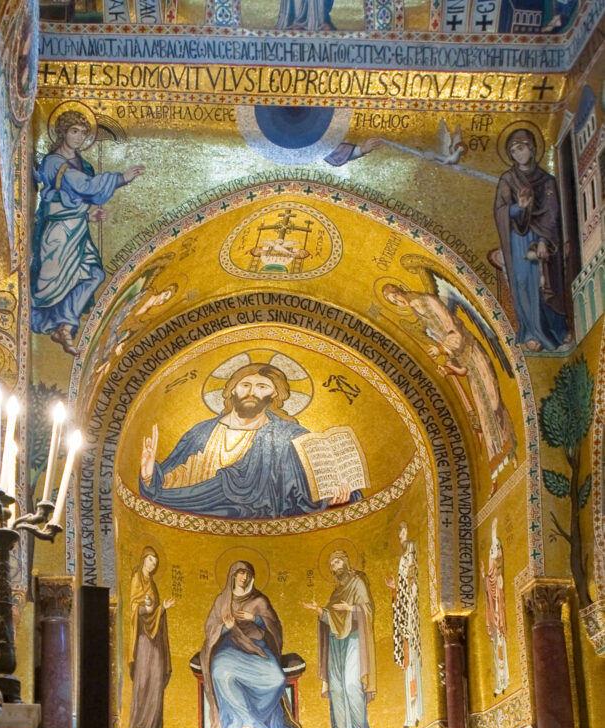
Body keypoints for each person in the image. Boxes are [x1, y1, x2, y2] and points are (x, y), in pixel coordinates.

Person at [139, 362, 360, 519]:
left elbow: (302, 494)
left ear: (274, 395)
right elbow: (173, 482)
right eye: (245, 385)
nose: (252, 392)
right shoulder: (201, 432)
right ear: (232, 389)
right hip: (204, 512)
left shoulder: (289, 436)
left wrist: (330, 501)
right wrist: (150, 475)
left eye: (262, 387)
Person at [30, 110, 145, 355]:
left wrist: (86, 215)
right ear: (62, 132)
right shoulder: (53, 162)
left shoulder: (84, 164)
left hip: (77, 227)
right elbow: (81, 186)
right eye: (74, 131)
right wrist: (120, 178)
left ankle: (66, 324)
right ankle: (58, 321)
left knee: (94, 273)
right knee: (52, 284)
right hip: (58, 230)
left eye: (83, 133)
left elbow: (81, 195)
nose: (79, 138)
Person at [383, 283, 517, 489]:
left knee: (493, 400)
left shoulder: (429, 301)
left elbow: (455, 331)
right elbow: (451, 351)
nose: (399, 302)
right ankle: (499, 466)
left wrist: (442, 348)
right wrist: (450, 367)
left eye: (396, 296)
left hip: (473, 352)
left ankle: (513, 448)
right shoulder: (418, 313)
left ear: (401, 290)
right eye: (394, 302)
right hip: (465, 362)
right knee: (483, 411)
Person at [199, 561, 304, 728]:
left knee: (277, 679)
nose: (244, 577)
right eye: (240, 573)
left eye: (247, 574)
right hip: (229, 647)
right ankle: (247, 720)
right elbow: (211, 629)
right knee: (220, 673)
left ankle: (254, 717)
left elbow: (274, 627)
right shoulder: (223, 601)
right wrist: (227, 627)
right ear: (233, 576)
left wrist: (254, 619)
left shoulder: (259, 601)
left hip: (256, 647)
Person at [493, 127, 571, 353]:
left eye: (521, 149)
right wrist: (520, 207)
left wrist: (546, 240)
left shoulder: (547, 180)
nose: (519, 155)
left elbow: (553, 211)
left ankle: (556, 329)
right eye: (514, 151)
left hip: (544, 239)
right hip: (519, 240)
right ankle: (530, 332)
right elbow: (500, 211)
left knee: (548, 281)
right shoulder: (508, 179)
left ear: (532, 148)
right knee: (526, 284)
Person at [303, 550, 376, 728]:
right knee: (336, 686)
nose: (334, 566)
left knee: (352, 682)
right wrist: (319, 610)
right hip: (335, 641)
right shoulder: (336, 592)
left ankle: (361, 727)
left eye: (337, 561)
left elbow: (368, 610)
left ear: (345, 562)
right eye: (331, 564)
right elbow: (331, 618)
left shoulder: (358, 583)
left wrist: (350, 608)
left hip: (353, 638)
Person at [127, 546, 174, 728]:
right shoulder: (137, 578)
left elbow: (153, 611)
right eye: (150, 560)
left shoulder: (152, 584)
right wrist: (147, 608)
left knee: (156, 681)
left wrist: (161, 608)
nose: (152, 564)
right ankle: (139, 725)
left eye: (155, 562)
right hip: (143, 639)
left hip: (155, 640)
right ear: (143, 559)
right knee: (143, 680)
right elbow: (134, 608)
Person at [385, 522, 424, 728]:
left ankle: (418, 711)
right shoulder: (402, 561)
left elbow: (413, 583)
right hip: (405, 619)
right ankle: (410, 715)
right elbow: (401, 592)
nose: (402, 537)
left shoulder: (412, 554)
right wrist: (395, 588)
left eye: (403, 532)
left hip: (414, 621)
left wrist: (406, 587)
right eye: (399, 533)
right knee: (407, 666)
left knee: (415, 664)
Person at [481, 518, 510, 695]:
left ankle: (505, 678)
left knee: (502, 647)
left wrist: (493, 533)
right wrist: (485, 574)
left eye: (495, 550)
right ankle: (499, 682)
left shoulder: (498, 577)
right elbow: (488, 587)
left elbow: (496, 583)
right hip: (494, 612)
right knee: (495, 646)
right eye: (491, 550)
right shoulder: (492, 577)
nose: (492, 553)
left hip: (499, 614)